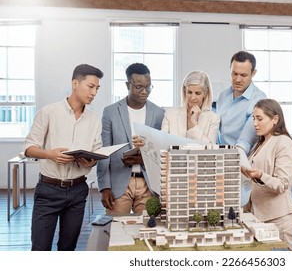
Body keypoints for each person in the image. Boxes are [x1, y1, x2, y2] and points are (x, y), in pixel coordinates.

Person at [24, 64, 104, 251]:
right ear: (75, 83)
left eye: (97, 89)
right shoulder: (49, 112)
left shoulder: (94, 119)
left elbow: (96, 150)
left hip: (78, 190)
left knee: (68, 248)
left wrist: (91, 161)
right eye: (90, 86)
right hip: (48, 190)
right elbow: (29, 148)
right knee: (40, 248)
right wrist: (49, 154)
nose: (94, 93)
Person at [97, 63, 165, 215]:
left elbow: (162, 150)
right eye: (139, 87)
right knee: (115, 232)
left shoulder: (159, 113)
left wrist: (145, 159)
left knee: (147, 231)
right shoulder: (110, 112)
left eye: (148, 87)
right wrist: (104, 187)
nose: (144, 92)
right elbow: (104, 152)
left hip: (148, 184)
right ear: (128, 84)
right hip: (118, 184)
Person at [241, 99, 292, 251]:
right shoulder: (260, 143)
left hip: (278, 219)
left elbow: (282, 184)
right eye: (253, 118)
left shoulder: (283, 143)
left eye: (259, 119)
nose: (255, 123)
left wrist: (260, 175)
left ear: (275, 119)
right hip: (259, 217)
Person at [216, 50, 266, 154]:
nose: (238, 79)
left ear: (253, 73)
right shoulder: (222, 96)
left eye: (243, 75)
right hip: (221, 156)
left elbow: (246, 140)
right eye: (234, 74)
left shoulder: (259, 100)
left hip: (243, 158)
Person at [161, 70, 219, 144]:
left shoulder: (213, 119)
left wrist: (194, 124)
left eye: (197, 93)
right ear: (185, 91)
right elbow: (162, 142)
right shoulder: (170, 114)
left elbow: (210, 148)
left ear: (205, 93)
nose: (193, 97)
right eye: (189, 92)